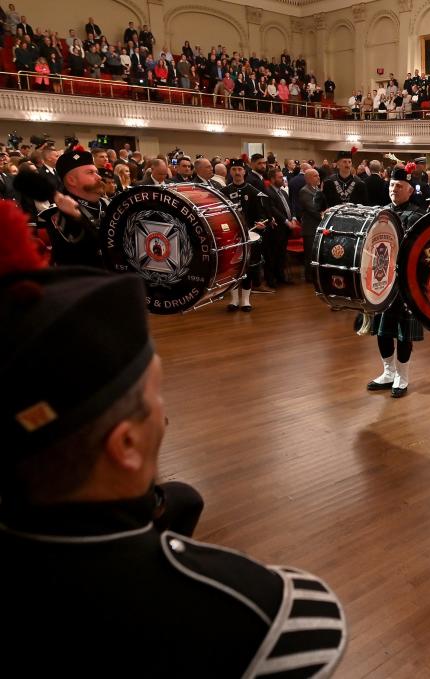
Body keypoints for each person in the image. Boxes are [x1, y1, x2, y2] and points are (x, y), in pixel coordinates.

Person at [0, 221, 346, 675]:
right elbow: (318, 626)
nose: (164, 418)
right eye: (154, 400)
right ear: (125, 444)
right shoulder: (268, 617)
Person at [367, 162, 425, 398]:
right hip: (380, 282)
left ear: (410, 190)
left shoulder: (418, 215)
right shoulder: (380, 213)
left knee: (403, 333)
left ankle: (402, 377)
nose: (394, 189)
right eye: (391, 185)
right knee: (382, 331)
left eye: (399, 186)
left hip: (404, 283)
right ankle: (388, 372)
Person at [31, 146, 108, 268]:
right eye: (90, 173)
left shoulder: (107, 204)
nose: (99, 177)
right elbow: (83, 252)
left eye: (96, 172)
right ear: (72, 180)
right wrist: (77, 217)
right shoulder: (58, 214)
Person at [224, 159, 268, 312]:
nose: (237, 172)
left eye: (239, 169)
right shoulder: (224, 192)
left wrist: (261, 223)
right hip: (231, 236)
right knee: (233, 269)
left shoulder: (253, 191)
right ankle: (234, 299)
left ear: (244, 172)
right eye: (234, 169)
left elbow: (261, 214)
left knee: (247, 269)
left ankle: (246, 300)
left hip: (250, 235)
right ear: (230, 172)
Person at [262, 166, 295, 287]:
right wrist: (286, 221)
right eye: (280, 177)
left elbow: (289, 207)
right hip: (275, 229)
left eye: (283, 177)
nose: (283, 179)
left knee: (281, 254)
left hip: (285, 229)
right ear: (272, 179)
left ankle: (281, 276)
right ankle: (271, 279)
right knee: (272, 255)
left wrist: (294, 218)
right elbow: (273, 210)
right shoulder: (268, 191)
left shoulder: (283, 193)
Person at [298, 168, 326, 281]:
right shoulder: (305, 191)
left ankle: (316, 275)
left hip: (318, 227)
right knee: (310, 254)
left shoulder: (317, 189)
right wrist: (324, 216)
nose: (319, 177)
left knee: (317, 253)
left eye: (318, 175)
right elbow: (313, 209)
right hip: (310, 228)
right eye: (315, 176)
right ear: (308, 179)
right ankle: (309, 276)